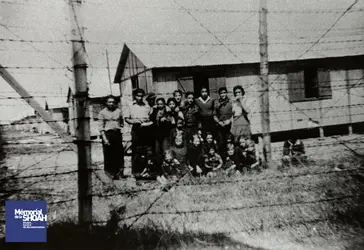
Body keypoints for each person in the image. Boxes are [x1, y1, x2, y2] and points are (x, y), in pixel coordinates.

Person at [125, 88, 153, 177]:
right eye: (138, 96)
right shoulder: (130, 106)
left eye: (141, 96)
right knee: (136, 150)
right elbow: (127, 119)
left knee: (146, 150)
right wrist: (135, 121)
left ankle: (145, 171)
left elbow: (150, 116)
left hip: (146, 129)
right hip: (136, 129)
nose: (140, 98)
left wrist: (146, 122)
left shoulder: (147, 106)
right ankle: (135, 171)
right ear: (134, 96)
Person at [98, 95, 124, 180]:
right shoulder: (102, 112)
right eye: (109, 102)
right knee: (109, 155)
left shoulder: (119, 111)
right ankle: (110, 174)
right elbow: (101, 127)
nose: (111, 104)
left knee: (119, 154)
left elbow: (122, 123)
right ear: (106, 103)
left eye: (113, 102)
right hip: (107, 134)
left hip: (117, 134)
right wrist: (105, 138)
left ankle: (119, 174)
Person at [213, 87, 234, 156]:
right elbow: (214, 115)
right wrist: (219, 122)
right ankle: (223, 159)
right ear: (219, 94)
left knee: (230, 142)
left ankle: (231, 158)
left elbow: (235, 113)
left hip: (230, 126)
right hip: (220, 126)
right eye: (221, 93)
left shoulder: (231, 102)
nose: (223, 95)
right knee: (221, 143)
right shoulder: (217, 103)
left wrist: (230, 120)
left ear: (226, 93)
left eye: (224, 93)